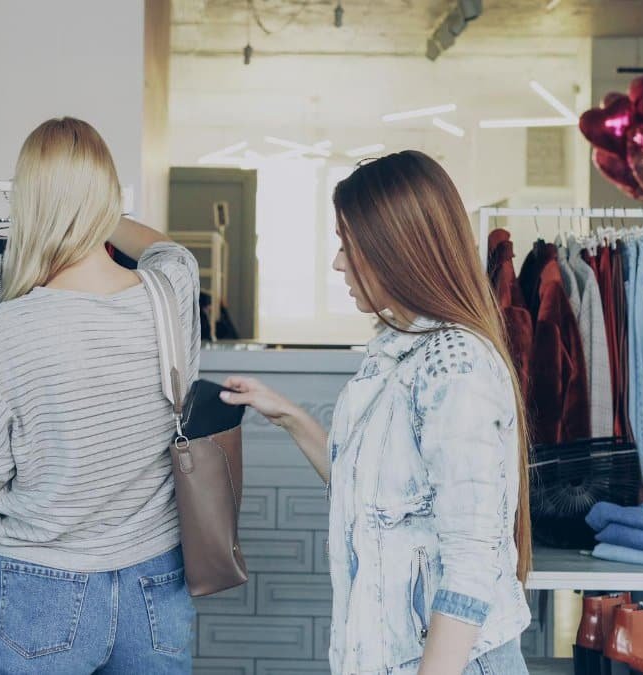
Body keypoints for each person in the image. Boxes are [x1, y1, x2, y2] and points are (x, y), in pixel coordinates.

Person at [0, 117, 201, 674]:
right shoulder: (172, 290)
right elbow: (162, 246)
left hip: (42, 590)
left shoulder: (8, 330)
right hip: (157, 582)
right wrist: (100, 213)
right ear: (106, 199)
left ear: (30, 204)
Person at [220, 151, 533, 675]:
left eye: (347, 245)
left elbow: (471, 563)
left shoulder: (454, 365)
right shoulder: (398, 350)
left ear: (394, 250)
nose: (338, 262)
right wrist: (290, 416)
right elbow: (371, 496)